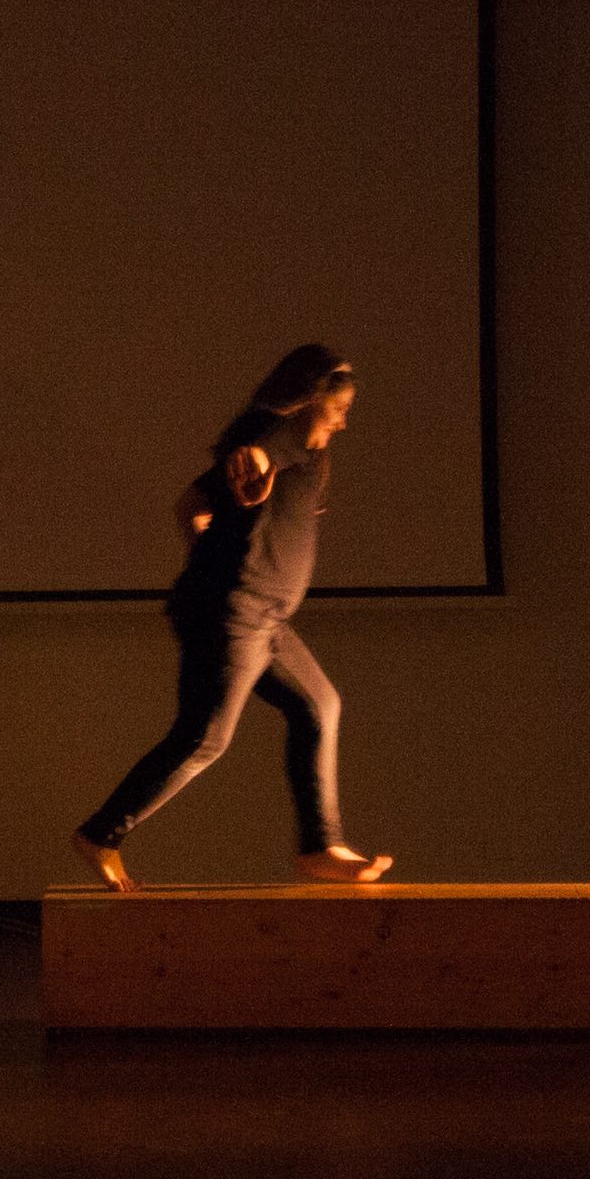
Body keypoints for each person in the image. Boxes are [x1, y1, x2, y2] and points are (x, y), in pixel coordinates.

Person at [72, 344, 397, 890]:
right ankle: (101, 834)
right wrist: (253, 469)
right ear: (310, 400)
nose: (343, 423)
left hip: (263, 617)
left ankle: (321, 846)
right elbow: (257, 453)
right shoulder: (280, 434)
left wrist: (211, 547)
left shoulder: (307, 454)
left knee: (319, 705)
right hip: (235, 614)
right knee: (205, 738)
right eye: (339, 409)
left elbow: (190, 504)